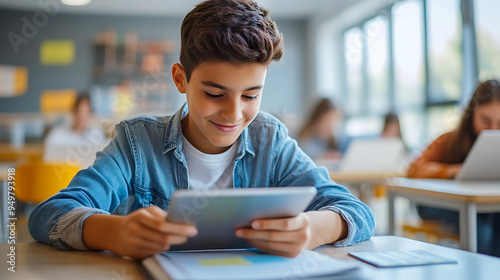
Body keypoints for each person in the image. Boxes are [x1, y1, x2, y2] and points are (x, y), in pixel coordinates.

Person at [29, 0, 375, 260]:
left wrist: (314, 228)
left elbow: (357, 212)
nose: (234, 113)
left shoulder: (271, 139)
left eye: (252, 95)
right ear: (181, 79)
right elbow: (49, 215)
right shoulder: (137, 143)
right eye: (214, 94)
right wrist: (113, 232)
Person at [407, 79, 500, 256]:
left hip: (487, 208)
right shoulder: (449, 140)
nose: (493, 129)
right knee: (481, 232)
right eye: (485, 121)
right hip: (438, 203)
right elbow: (413, 170)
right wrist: (452, 171)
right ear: (471, 114)